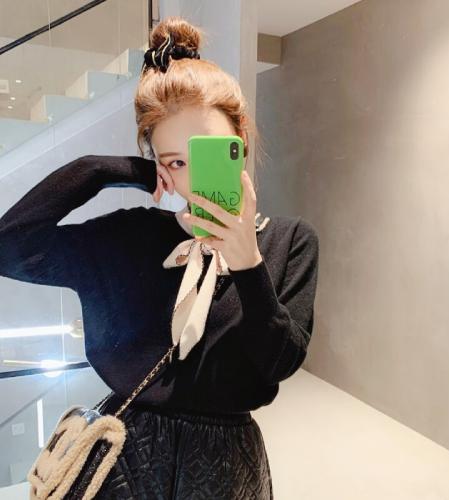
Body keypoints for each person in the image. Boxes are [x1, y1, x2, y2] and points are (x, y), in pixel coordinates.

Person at [0, 15, 319, 500]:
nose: (191, 177)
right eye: (175, 162)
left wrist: (248, 265)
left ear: (239, 142)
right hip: (122, 453)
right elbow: (11, 246)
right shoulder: (130, 234)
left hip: (225, 467)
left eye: (206, 153)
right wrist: (98, 170)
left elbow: (281, 361)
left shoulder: (289, 241)